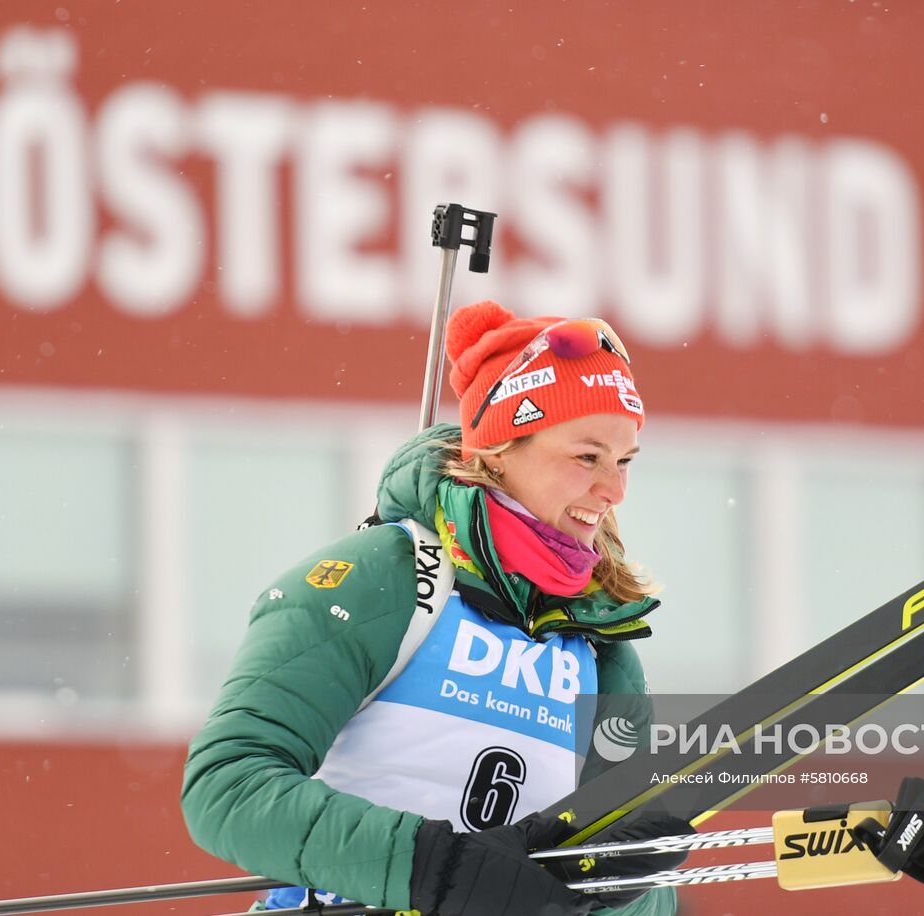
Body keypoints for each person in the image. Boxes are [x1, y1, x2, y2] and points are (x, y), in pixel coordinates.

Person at [182, 300, 689, 915]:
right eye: (587, 457)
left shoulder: (600, 642)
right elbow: (228, 788)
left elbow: (645, 904)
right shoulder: (382, 578)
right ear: (498, 448)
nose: (613, 491)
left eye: (625, 461)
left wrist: (616, 889)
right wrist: (434, 868)